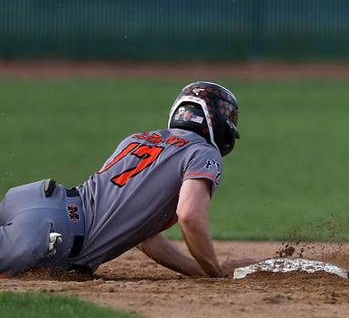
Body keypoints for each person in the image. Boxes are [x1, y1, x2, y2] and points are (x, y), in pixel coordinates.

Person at [0, 81, 248, 277]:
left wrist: (200, 270)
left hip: (36, 200)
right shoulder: (204, 152)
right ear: (216, 121)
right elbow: (189, 214)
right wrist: (214, 270)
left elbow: (143, 237)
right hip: (54, 233)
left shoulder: (136, 139)